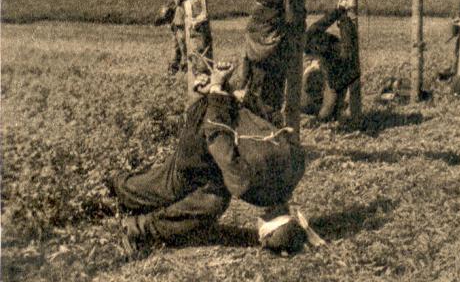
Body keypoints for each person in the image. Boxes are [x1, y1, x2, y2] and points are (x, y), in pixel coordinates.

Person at [108, 62, 318, 255]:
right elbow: (217, 134)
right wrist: (217, 90)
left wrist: (229, 92)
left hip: (222, 117)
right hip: (205, 134)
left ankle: (129, 209)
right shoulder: (245, 182)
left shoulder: (296, 165)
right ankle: (121, 203)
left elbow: (271, 118)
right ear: (268, 228)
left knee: (195, 188)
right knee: (181, 189)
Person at [241, 0, 307, 124]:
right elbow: (292, 16)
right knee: (270, 93)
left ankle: (254, 128)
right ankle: (268, 135)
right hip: (271, 41)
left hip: (257, 36)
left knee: (255, 88)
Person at [300, 4, 361, 122]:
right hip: (333, 73)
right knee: (324, 110)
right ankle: (334, 111)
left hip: (342, 76)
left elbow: (348, 48)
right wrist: (339, 12)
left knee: (326, 115)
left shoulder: (342, 58)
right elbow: (323, 22)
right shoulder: (309, 37)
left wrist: (344, 21)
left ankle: (339, 113)